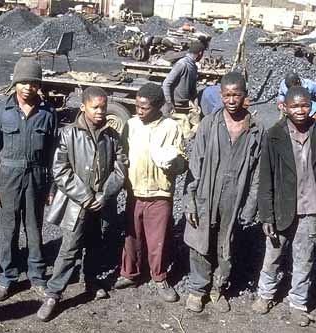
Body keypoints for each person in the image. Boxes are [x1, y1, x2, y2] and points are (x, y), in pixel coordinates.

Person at [37, 87, 126, 322]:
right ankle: (53, 294)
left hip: (102, 204)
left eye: (103, 107)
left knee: (97, 243)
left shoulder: (112, 135)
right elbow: (60, 169)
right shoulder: (69, 134)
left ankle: (91, 280)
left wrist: (103, 196)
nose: (100, 112)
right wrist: (85, 197)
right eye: (95, 107)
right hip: (78, 204)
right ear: (83, 107)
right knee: (69, 248)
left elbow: (120, 168)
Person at [252, 86, 316, 327]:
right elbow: (265, 176)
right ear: (284, 108)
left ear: (312, 106)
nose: (300, 110)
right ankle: (265, 294)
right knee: (273, 255)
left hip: (310, 207)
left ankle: (298, 303)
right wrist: (266, 215)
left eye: (305, 105)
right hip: (280, 207)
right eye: (295, 106)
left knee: (304, 257)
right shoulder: (274, 134)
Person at [184, 72, 264, 313]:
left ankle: (218, 289)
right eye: (227, 95)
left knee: (226, 244)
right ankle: (197, 289)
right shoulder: (209, 123)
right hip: (206, 193)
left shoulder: (256, 130)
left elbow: (258, 174)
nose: (231, 100)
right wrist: (190, 201)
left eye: (236, 95)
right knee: (200, 240)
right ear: (221, 95)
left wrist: (250, 206)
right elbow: (195, 165)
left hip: (234, 198)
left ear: (245, 96)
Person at [0, 57, 58, 302]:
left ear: (39, 86)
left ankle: (37, 276)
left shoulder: (48, 113)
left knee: (34, 228)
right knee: (8, 230)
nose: (28, 87)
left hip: (37, 177)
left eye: (33, 83)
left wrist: (51, 186)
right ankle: (8, 277)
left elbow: (53, 154)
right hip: (8, 176)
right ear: (15, 82)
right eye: (23, 82)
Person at [114, 83, 187, 302]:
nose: (139, 111)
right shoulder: (131, 125)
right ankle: (130, 273)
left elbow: (183, 162)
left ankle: (159, 277)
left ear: (157, 107)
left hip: (159, 193)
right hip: (135, 191)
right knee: (132, 236)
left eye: (144, 108)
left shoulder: (171, 127)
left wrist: (172, 165)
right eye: (137, 106)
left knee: (158, 239)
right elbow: (122, 154)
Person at [162, 41, 206, 139]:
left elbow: (193, 89)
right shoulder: (182, 65)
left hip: (185, 104)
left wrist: (195, 103)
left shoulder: (193, 67)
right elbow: (166, 83)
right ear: (200, 53)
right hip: (174, 105)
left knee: (193, 129)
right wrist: (169, 103)